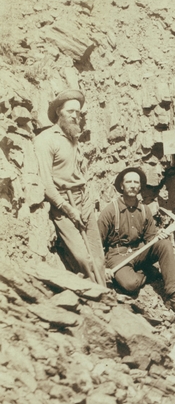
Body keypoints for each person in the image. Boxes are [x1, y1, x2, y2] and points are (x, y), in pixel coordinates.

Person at [98, 166, 175, 320]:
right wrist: (103, 267)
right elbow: (97, 243)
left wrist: (159, 236)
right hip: (117, 255)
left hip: (139, 251)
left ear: (140, 187)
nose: (133, 185)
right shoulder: (110, 211)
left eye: (136, 182)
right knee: (130, 284)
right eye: (129, 182)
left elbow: (150, 239)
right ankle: (147, 273)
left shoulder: (145, 210)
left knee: (164, 244)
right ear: (122, 185)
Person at [34, 90, 105, 284]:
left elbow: (81, 174)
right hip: (64, 205)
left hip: (84, 201)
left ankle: (108, 300)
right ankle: (95, 302)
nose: (75, 116)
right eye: (70, 111)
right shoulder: (45, 140)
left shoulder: (74, 138)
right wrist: (69, 209)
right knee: (84, 259)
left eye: (78, 112)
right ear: (59, 112)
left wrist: (87, 201)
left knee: (98, 259)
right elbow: (46, 184)